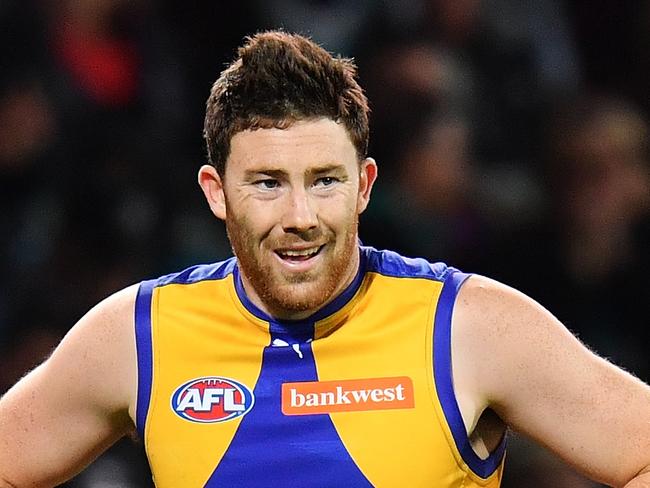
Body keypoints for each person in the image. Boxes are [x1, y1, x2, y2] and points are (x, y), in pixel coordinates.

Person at [1, 31, 649, 488]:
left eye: (324, 180)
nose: (301, 217)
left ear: (364, 185)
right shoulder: (136, 335)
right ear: (216, 192)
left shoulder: (470, 327)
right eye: (267, 183)